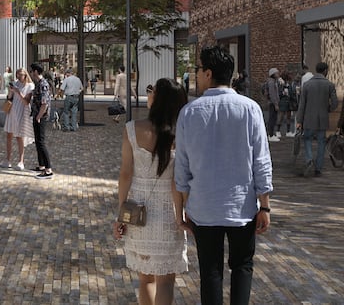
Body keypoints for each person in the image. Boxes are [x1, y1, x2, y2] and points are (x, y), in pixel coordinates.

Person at [174, 45, 272, 305]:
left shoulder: (189, 113)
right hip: (242, 205)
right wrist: (265, 206)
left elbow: (181, 165)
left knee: (210, 270)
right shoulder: (250, 109)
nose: (195, 75)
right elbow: (261, 161)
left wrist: (183, 204)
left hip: (203, 206)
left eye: (197, 70)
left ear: (208, 73)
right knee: (242, 266)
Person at [113, 78, 189, 305]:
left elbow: (125, 174)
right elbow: (178, 182)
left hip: (138, 213)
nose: (149, 95)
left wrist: (120, 212)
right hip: (168, 214)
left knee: (145, 280)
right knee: (165, 282)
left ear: (157, 99)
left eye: (151, 91)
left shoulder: (132, 129)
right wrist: (180, 217)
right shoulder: (181, 134)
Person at [296, 61, 339, 177]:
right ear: (325, 71)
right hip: (323, 118)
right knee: (321, 143)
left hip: (308, 118)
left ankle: (309, 159)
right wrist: (328, 108)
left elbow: (302, 105)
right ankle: (318, 168)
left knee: (307, 140)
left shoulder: (307, 85)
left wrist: (299, 120)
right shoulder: (329, 85)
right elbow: (335, 102)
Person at [5, 68, 34, 170]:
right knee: (9, 135)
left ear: (25, 75)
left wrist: (17, 91)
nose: (19, 76)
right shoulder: (15, 83)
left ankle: (21, 161)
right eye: (18, 74)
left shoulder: (30, 86)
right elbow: (9, 98)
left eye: (21, 74)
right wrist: (10, 91)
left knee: (19, 136)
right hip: (12, 110)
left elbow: (26, 102)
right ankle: (8, 160)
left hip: (22, 111)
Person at [29, 63, 54, 178]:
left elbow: (44, 104)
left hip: (41, 117)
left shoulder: (43, 84)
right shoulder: (38, 83)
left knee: (41, 142)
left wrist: (38, 117)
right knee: (38, 141)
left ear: (35, 72)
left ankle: (48, 170)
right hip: (36, 115)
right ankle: (41, 166)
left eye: (32, 71)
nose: (31, 73)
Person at [262, 68, 283, 142]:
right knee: (272, 118)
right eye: (277, 73)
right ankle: (270, 135)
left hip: (272, 103)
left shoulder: (274, 81)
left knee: (273, 118)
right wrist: (276, 104)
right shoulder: (271, 82)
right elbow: (272, 94)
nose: (278, 74)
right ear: (273, 74)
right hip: (272, 103)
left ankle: (271, 134)